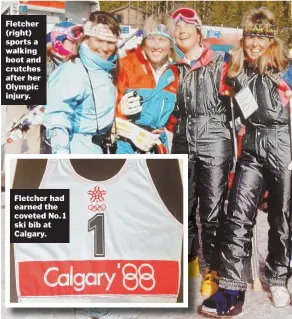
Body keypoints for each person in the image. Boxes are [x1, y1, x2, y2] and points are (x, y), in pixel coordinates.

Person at [201, 7, 292, 317]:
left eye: (260, 37)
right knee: (237, 215)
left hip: (284, 144)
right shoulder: (238, 69)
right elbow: (229, 104)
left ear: (271, 39)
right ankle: (230, 289)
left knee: (281, 216)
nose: (254, 44)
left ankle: (278, 277)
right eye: (250, 38)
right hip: (253, 145)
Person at [170, 7, 233, 296]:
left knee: (211, 210)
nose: (181, 31)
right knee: (184, 206)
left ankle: (214, 269)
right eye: (177, 27)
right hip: (182, 140)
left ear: (199, 32)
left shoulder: (221, 61)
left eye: (187, 27)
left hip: (215, 140)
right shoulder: (174, 66)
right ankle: (190, 260)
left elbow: (246, 92)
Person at [43, 11, 120, 154]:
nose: (105, 48)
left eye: (110, 42)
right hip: (77, 152)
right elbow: (58, 118)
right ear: (86, 39)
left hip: (100, 150)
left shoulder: (104, 70)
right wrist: (62, 158)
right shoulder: (72, 71)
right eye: (99, 40)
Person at [115, 14, 179, 154]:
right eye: (151, 39)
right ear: (144, 42)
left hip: (157, 147)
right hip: (126, 146)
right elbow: (106, 111)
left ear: (171, 44)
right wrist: (120, 109)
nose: (156, 46)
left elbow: (174, 121)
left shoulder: (174, 73)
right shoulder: (126, 64)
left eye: (162, 40)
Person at [41, 21, 84, 154]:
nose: (75, 48)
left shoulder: (77, 64)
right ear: (58, 42)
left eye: (77, 44)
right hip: (55, 131)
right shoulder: (48, 66)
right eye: (71, 43)